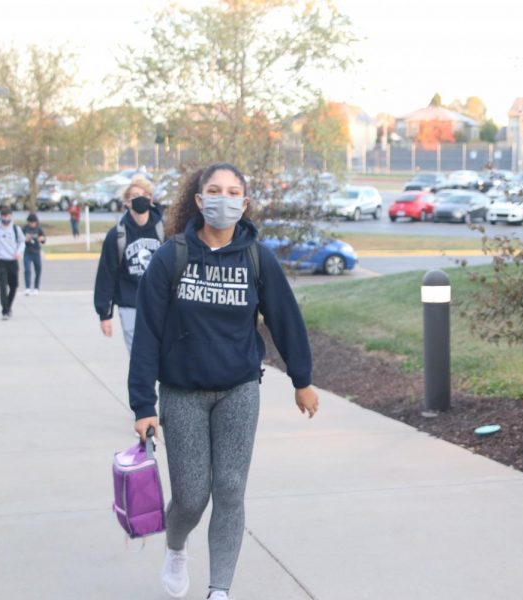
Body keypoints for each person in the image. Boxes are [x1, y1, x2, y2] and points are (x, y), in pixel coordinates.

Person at [128, 163, 319, 600]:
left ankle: (220, 590)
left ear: (244, 203)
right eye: (214, 190)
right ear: (198, 200)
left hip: (238, 389)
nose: (224, 198)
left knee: (230, 488)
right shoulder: (170, 256)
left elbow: (285, 319)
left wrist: (302, 379)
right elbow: (148, 336)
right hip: (182, 394)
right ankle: (176, 548)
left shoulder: (256, 257)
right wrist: (143, 405)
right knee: (192, 497)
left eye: (234, 191)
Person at [94, 176, 164, 353]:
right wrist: (104, 314)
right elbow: (106, 275)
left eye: (144, 194)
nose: (140, 198)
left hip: (160, 303)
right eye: (134, 195)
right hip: (129, 304)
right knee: (138, 356)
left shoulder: (164, 230)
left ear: (151, 199)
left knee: (162, 356)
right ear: (126, 202)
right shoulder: (117, 235)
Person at [0, 207, 25, 320]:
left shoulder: (16, 229)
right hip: (0, 260)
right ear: (1, 216)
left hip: (12, 260)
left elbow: (22, 242)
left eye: (7, 216)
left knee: (14, 285)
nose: (5, 218)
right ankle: (5, 311)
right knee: (3, 286)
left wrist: (18, 252)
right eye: (3, 216)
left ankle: (8, 305)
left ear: (11, 216)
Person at [22, 212, 46, 295]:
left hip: (36, 252)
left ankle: (36, 288)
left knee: (38, 270)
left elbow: (43, 239)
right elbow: (20, 240)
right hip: (27, 252)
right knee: (27, 270)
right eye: (30, 222)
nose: (32, 224)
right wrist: (25, 239)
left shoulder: (39, 229)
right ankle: (27, 288)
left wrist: (41, 239)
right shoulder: (25, 229)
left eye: (34, 222)